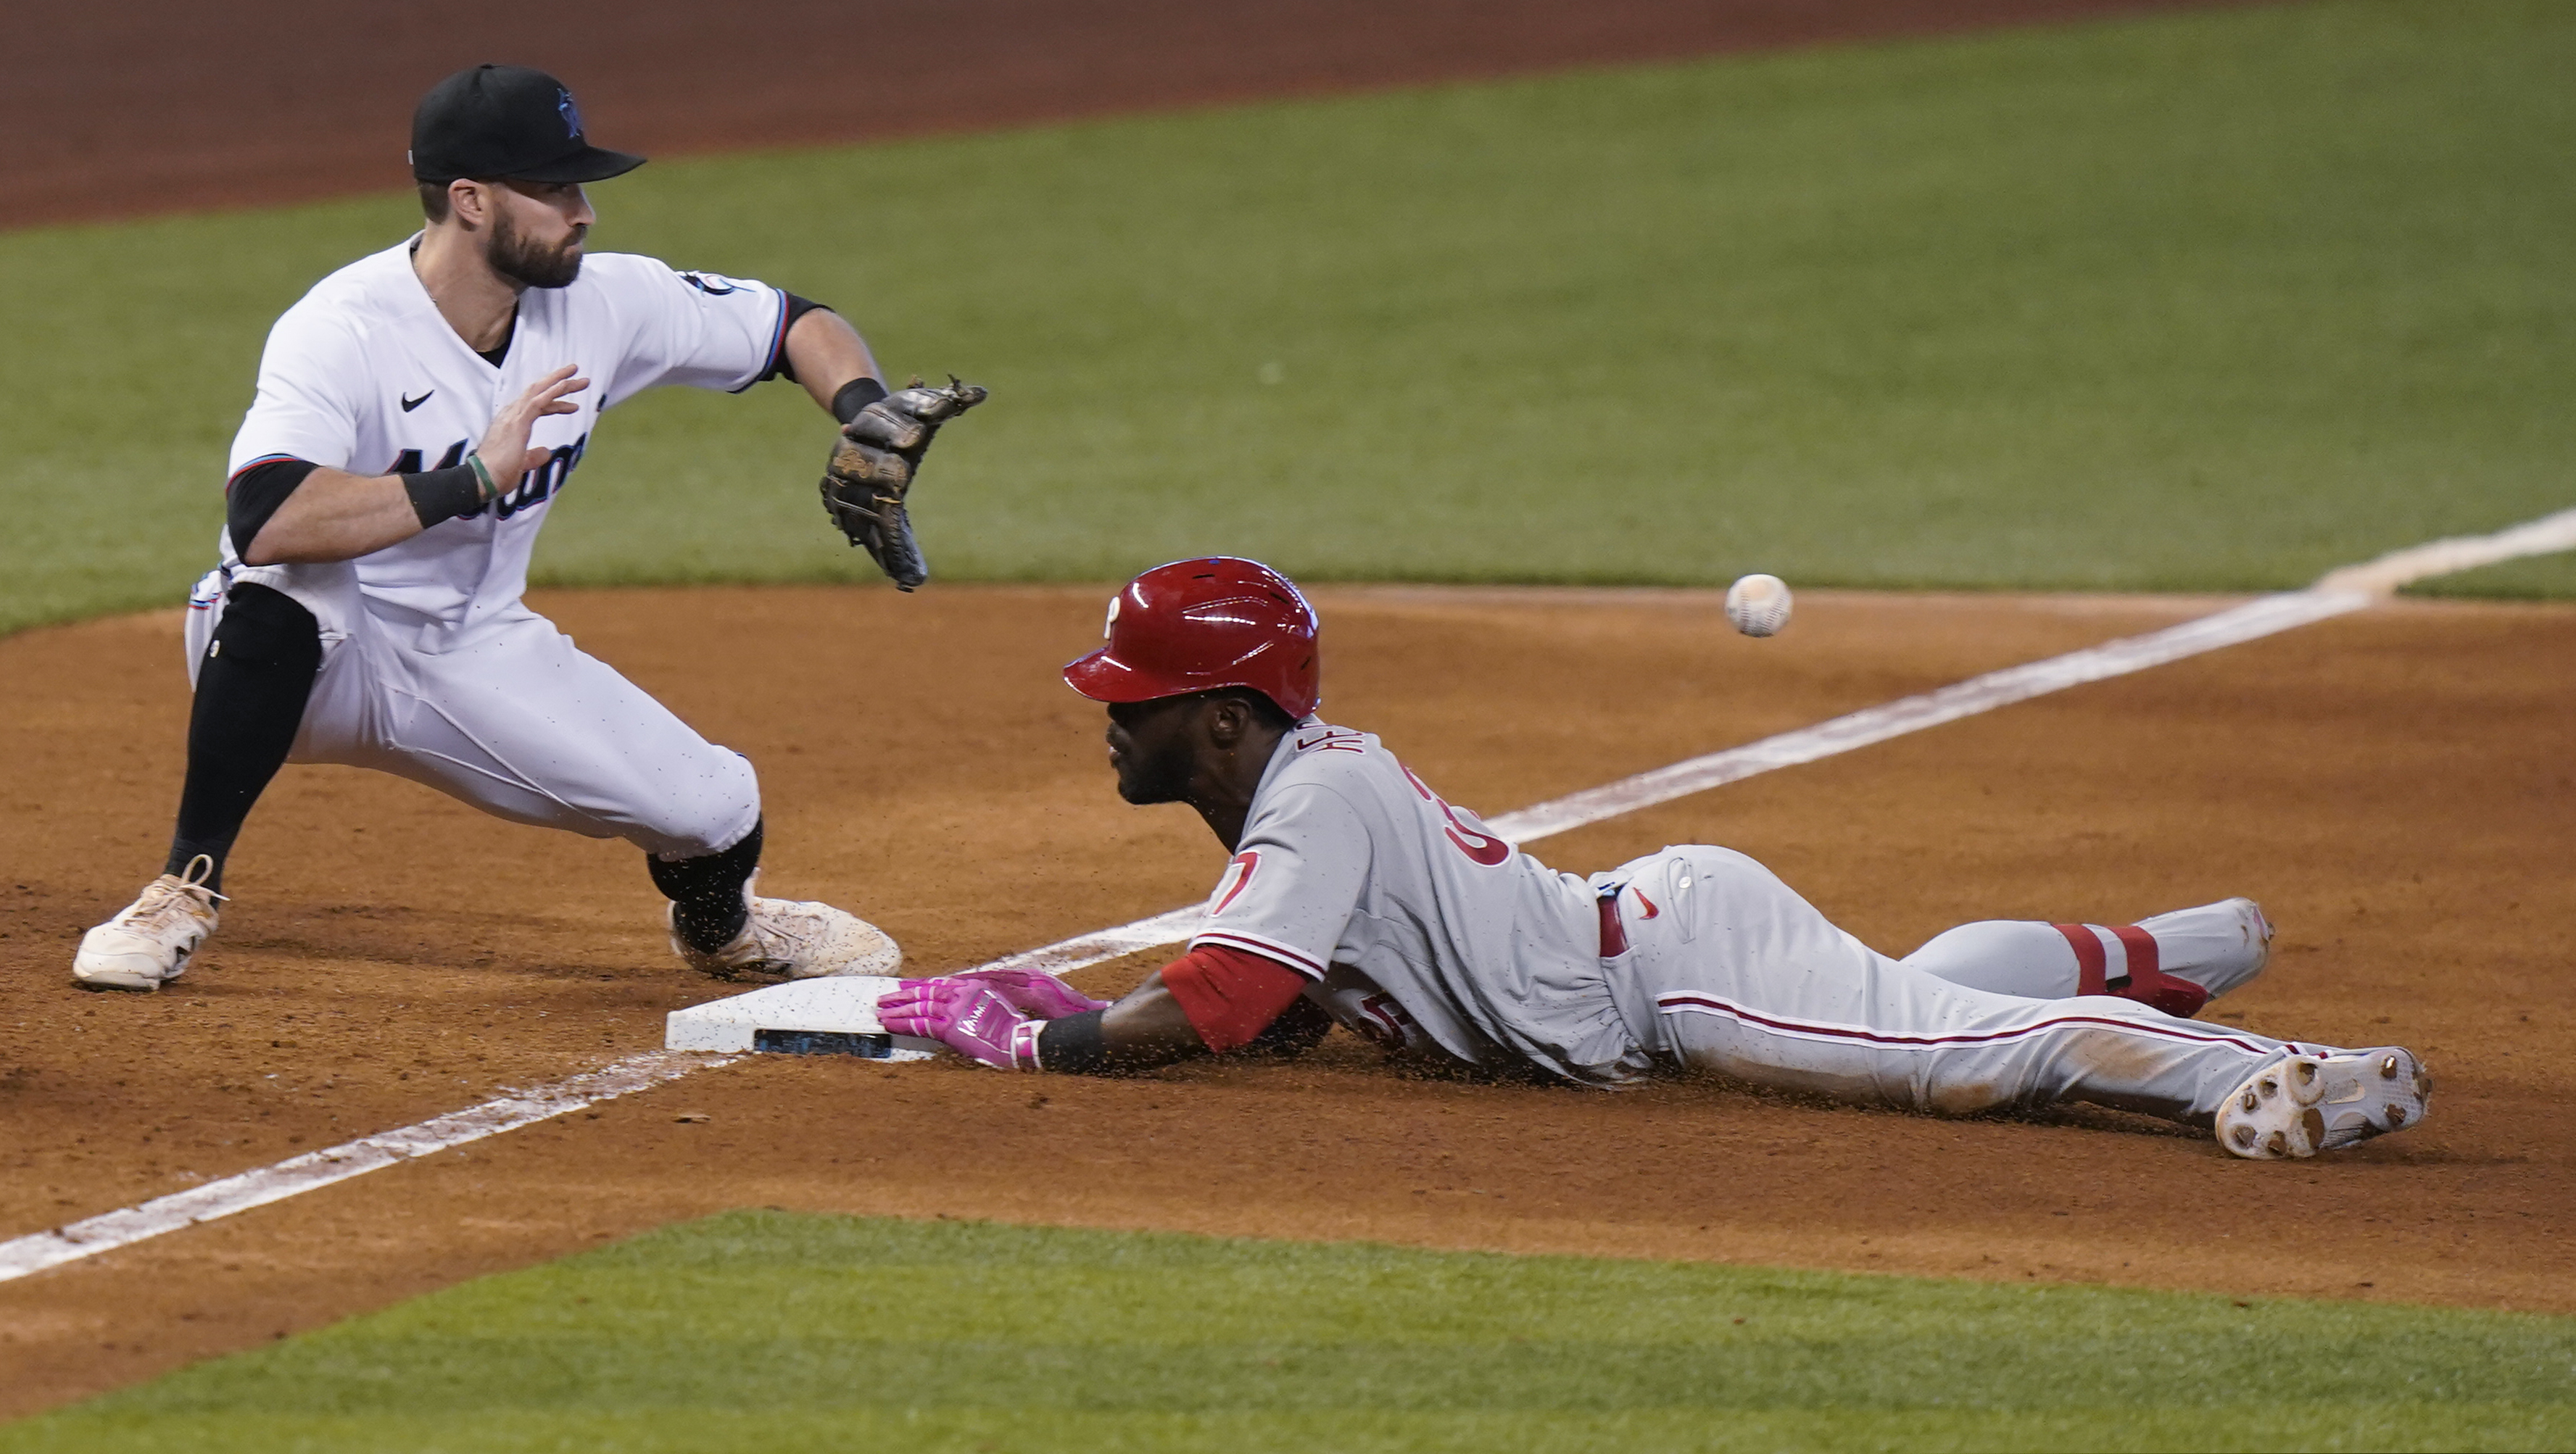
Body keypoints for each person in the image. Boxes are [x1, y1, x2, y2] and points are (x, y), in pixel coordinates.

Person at [880, 557, 2432, 1162]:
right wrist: (1087, 1002)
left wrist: (1042, 1029)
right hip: (1663, 933)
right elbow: (1278, 998)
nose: (1107, 722)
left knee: (1948, 1065)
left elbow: (1217, 1001)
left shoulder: (1310, 805)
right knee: (1899, 1003)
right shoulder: (1295, 795)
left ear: (1217, 718)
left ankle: (2268, 1067)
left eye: (1131, 702)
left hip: (1674, 975)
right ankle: (2154, 946)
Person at [74, 65, 980, 994]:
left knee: (715, 808)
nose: (581, 209)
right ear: (468, 199)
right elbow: (265, 519)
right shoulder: (339, 328)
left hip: (474, 647)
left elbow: (793, 322)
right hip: (312, 656)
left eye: (576, 184)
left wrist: (863, 409)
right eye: (551, 188)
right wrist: (469, 481)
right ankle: (182, 887)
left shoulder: (602, 300)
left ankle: (725, 932)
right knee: (285, 586)